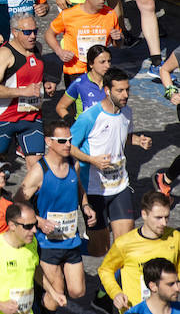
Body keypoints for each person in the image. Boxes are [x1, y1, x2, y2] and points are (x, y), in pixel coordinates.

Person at [71, 68, 153, 259]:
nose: (125, 95)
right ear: (107, 90)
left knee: (124, 245)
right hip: (93, 189)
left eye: (127, 90)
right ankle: (71, 246)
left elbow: (122, 136)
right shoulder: (90, 117)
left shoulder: (127, 112)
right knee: (100, 249)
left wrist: (138, 140)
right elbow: (69, 146)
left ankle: (117, 278)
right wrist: (92, 160)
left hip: (120, 186)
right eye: (120, 91)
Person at [17, 120, 94, 313]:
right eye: (62, 141)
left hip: (70, 238)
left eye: (70, 140)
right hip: (47, 243)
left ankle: (39, 288)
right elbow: (17, 202)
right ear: (48, 142)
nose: (68, 144)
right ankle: (39, 302)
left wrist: (85, 206)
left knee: (77, 291)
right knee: (56, 296)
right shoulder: (39, 171)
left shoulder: (74, 164)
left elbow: (79, 188)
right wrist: (39, 221)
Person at [0, 13, 55, 169]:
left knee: (37, 169)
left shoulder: (37, 48)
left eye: (35, 31)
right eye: (27, 32)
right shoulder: (5, 54)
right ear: (14, 32)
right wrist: (23, 92)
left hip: (32, 117)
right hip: (6, 118)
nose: (32, 36)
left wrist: (46, 84)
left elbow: (34, 75)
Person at [0, 202, 67, 314]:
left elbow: (34, 268)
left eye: (35, 224)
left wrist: (53, 293)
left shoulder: (32, 243)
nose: (34, 230)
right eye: (28, 226)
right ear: (12, 225)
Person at [98, 191, 180, 312]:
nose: (164, 223)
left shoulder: (175, 238)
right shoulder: (124, 243)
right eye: (158, 218)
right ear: (144, 214)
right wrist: (116, 293)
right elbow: (105, 270)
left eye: (166, 217)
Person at [45, 0, 122, 87]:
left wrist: (118, 38)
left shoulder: (110, 14)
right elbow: (49, 34)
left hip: (100, 71)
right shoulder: (69, 15)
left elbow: (117, 44)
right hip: (75, 71)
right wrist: (59, 52)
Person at [55, 45, 110, 119]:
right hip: (86, 126)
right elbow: (61, 107)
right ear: (91, 64)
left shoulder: (113, 82)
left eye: (109, 61)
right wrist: (72, 122)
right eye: (102, 62)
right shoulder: (80, 83)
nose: (107, 65)